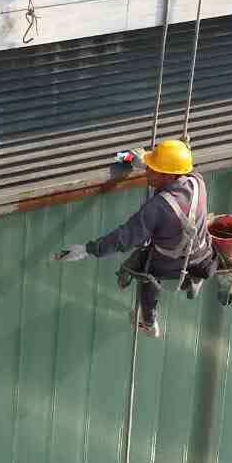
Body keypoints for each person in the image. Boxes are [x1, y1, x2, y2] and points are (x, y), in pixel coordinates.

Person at [52, 139, 214, 337]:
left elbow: (123, 238)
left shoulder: (157, 208)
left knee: (144, 268)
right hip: (203, 252)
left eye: (152, 169)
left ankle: (148, 322)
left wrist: (87, 250)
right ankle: (191, 280)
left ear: (168, 175)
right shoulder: (197, 181)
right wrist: (127, 158)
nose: (146, 172)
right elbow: (174, 167)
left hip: (173, 261)